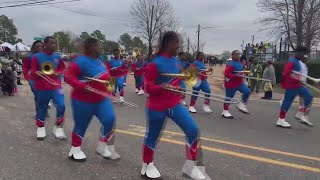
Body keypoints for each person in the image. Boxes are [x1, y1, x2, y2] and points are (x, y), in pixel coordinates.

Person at [141, 31, 209, 180]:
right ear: (168, 44)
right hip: (156, 106)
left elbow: (180, 79)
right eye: (177, 42)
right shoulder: (155, 63)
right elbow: (148, 88)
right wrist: (163, 87)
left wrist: (182, 87)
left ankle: (191, 167)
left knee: (192, 130)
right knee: (152, 136)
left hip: (174, 104)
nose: (179, 45)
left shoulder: (176, 61)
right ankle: (147, 165)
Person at [64, 38, 119, 162]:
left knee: (109, 119)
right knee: (81, 125)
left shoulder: (100, 62)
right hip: (82, 100)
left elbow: (107, 77)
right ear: (89, 47)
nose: (99, 48)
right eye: (97, 46)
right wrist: (82, 86)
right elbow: (67, 77)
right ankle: (75, 149)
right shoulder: (79, 61)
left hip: (101, 99)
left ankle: (102, 145)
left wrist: (110, 91)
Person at [30, 36, 66, 140]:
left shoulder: (57, 57)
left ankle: (58, 127)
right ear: (45, 44)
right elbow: (32, 72)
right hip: (41, 87)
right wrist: (39, 73)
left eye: (55, 43)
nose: (54, 45)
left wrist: (57, 73)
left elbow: (61, 68)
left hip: (55, 86)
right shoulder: (36, 57)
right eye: (52, 43)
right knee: (42, 107)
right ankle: (40, 128)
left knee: (61, 106)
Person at [276, 46, 313, 128]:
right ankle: (281, 119)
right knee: (287, 102)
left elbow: (297, 73)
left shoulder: (298, 61)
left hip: (298, 85)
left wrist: (298, 78)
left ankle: (300, 112)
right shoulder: (291, 61)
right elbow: (285, 74)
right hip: (291, 85)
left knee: (309, 96)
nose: (304, 56)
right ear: (298, 53)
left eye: (305, 54)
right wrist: (287, 82)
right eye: (303, 54)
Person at [222, 50, 251, 119]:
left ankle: (241, 104)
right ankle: (225, 111)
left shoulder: (239, 63)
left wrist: (244, 72)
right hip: (231, 84)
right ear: (233, 55)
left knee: (247, 91)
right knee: (228, 98)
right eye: (237, 54)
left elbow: (239, 71)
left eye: (239, 54)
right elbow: (226, 74)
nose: (238, 56)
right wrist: (236, 75)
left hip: (239, 83)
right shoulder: (230, 64)